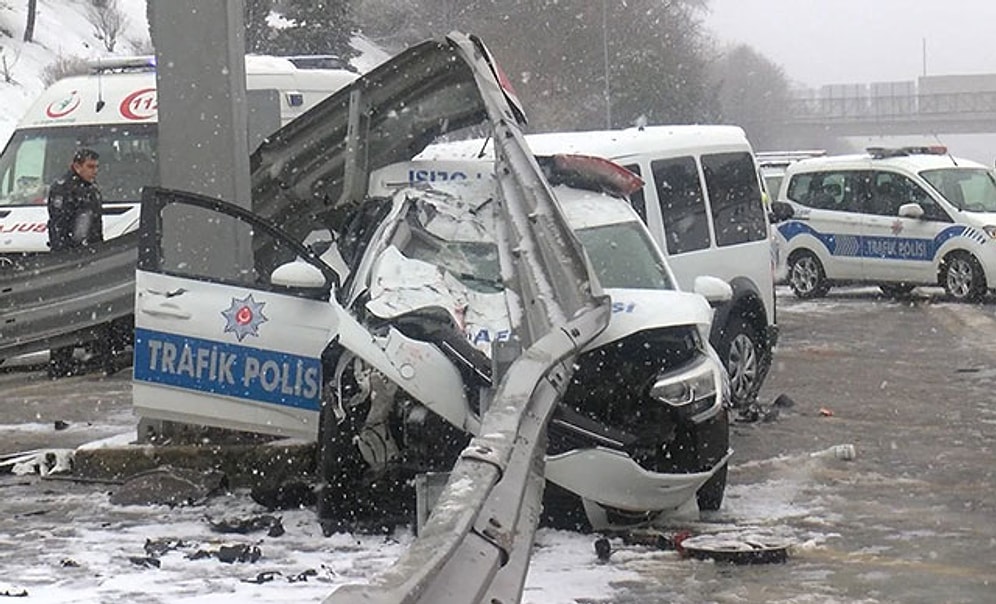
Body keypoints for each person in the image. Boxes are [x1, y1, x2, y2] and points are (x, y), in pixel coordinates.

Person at [46, 148, 107, 378]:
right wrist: (67, 259)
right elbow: (59, 227)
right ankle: (60, 361)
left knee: (90, 308)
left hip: (90, 257)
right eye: (90, 167)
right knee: (67, 312)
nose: (94, 171)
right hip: (72, 260)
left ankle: (96, 353)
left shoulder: (89, 189)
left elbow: (93, 226)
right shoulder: (64, 188)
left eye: (96, 167)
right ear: (77, 165)